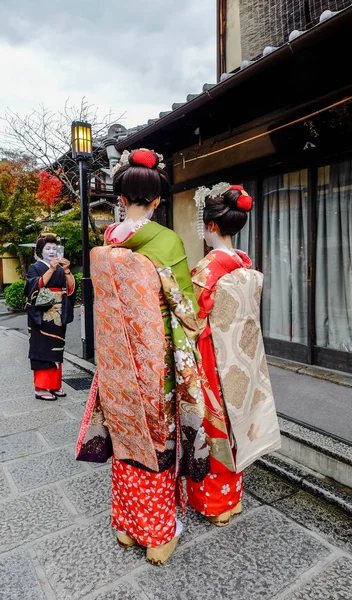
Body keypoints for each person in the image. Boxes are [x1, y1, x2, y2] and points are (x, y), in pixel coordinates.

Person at [90, 148, 209, 565]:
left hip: (115, 362)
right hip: (153, 362)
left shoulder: (107, 244)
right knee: (158, 438)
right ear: (157, 200)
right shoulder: (166, 241)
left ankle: (126, 523)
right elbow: (186, 308)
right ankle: (159, 531)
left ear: (121, 199)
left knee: (126, 435)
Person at [186, 183, 281, 525]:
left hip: (211, 359)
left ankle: (213, 503)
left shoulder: (206, 272)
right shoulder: (246, 269)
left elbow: (190, 319)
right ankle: (232, 498)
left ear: (211, 227)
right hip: (243, 358)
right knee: (233, 424)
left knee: (213, 429)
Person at [25, 233, 75, 400]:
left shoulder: (61, 268)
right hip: (42, 314)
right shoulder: (35, 267)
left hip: (59, 314)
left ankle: (55, 386)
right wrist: (52, 269)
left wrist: (67, 271)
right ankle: (40, 388)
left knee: (57, 348)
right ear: (41, 251)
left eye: (55, 248)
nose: (52, 251)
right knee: (42, 348)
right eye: (48, 248)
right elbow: (32, 287)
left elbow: (70, 290)